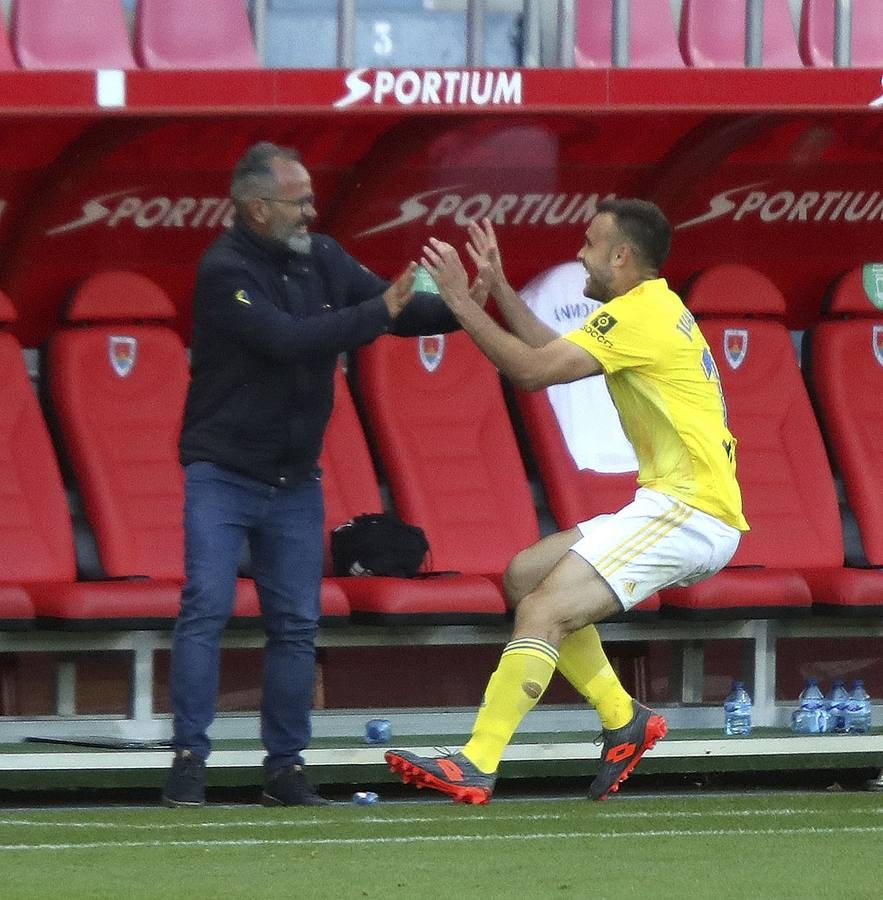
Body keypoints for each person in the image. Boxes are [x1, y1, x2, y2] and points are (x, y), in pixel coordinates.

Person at [385, 199, 749, 803]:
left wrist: (461, 300)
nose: (579, 254)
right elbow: (551, 351)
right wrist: (498, 286)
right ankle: (622, 716)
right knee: (525, 577)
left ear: (621, 257)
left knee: (543, 612)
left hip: (691, 513)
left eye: (588, 244)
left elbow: (529, 372)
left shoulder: (640, 316)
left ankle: (476, 762)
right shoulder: (648, 311)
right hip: (671, 506)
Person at [162, 142, 468, 808]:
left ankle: (285, 770)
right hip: (223, 472)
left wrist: (461, 299)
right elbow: (285, 339)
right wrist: (375, 312)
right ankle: (188, 760)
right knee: (206, 609)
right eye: (298, 199)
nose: (311, 209)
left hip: (293, 480)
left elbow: (402, 311)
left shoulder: (322, 256)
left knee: (296, 624)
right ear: (257, 207)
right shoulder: (224, 269)